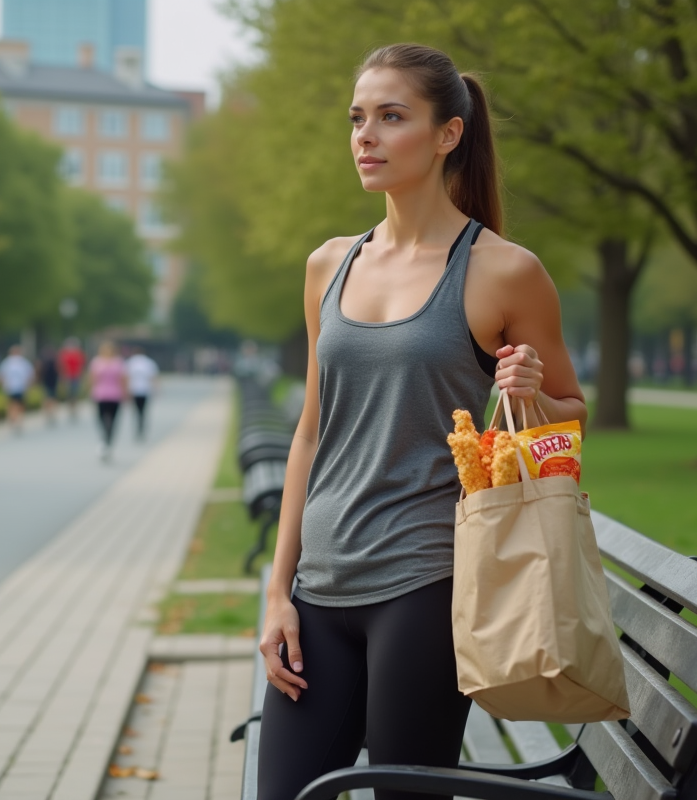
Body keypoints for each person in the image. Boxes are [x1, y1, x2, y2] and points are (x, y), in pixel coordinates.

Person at [257, 44, 588, 800]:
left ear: (448, 134)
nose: (365, 137)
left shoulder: (503, 270)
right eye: (358, 118)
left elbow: (570, 416)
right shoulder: (328, 265)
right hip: (321, 586)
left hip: (427, 587)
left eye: (391, 117)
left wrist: (532, 389)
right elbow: (312, 431)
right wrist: (279, 592)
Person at [88, 341, 127, 462]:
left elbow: (123, 379)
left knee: (111, 420)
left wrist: (125, 393)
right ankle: (106, 442)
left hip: (113, 395)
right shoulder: (97, 362)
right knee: (102, 419)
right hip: (101, 395)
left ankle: (107, 442)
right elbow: (92, 379)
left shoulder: (117, 362)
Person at [0, 345, 34, 433]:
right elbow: (30, 375)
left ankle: (13, 418)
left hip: (11, 387)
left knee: (12, 405)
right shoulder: (23, 362)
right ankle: (17, 420)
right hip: (19, 388)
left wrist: (0, 384)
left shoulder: (7, 362)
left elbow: (0, 375)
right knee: (19, 405)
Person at [125, 346, 159, 441]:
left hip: (133, 389)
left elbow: (126, 377)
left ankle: (138, 428)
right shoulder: (148, 362)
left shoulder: (130, 362)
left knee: (135, 411)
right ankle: (141, 428)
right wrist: (156, 389)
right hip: (145, 390)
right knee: (143, 411)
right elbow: (153, 377)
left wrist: (126, 391)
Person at [57, 337, 86, 420]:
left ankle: (73, 409)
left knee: (73, 394)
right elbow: (61, 366)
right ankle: (72, 409)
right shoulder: (65, 354)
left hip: (75, 376)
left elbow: (81, 366)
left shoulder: (78, 354)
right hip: (69, 376)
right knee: (71, 394)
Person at [38, 346, 60, 426]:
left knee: (47, 397)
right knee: (53, 397)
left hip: (46, 382)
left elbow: (39, 372)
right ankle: (52, 412)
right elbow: (59, 371)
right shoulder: (55, 361)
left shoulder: (43, 362)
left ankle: (48, 412)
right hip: (53, 382)